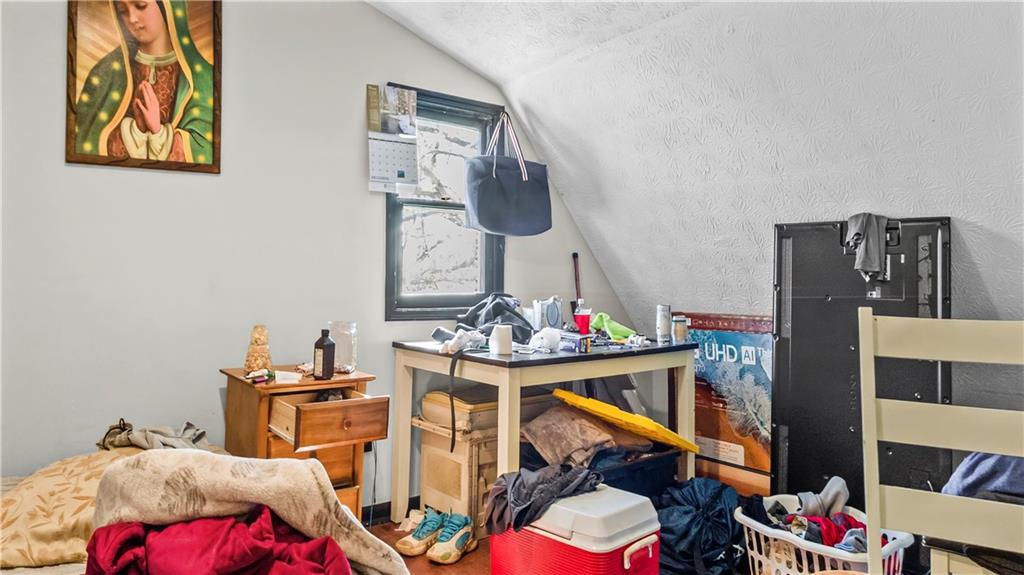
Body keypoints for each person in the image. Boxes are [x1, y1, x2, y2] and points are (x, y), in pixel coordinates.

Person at [74, 0, 214, 164]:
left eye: (140, 6)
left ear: (167, 6)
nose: (132, 18)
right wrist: (136, 131)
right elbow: (85, 143)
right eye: (123, 10)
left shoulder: (204, 79)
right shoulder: (105, 74)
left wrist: (159, 132)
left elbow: (205, 150)